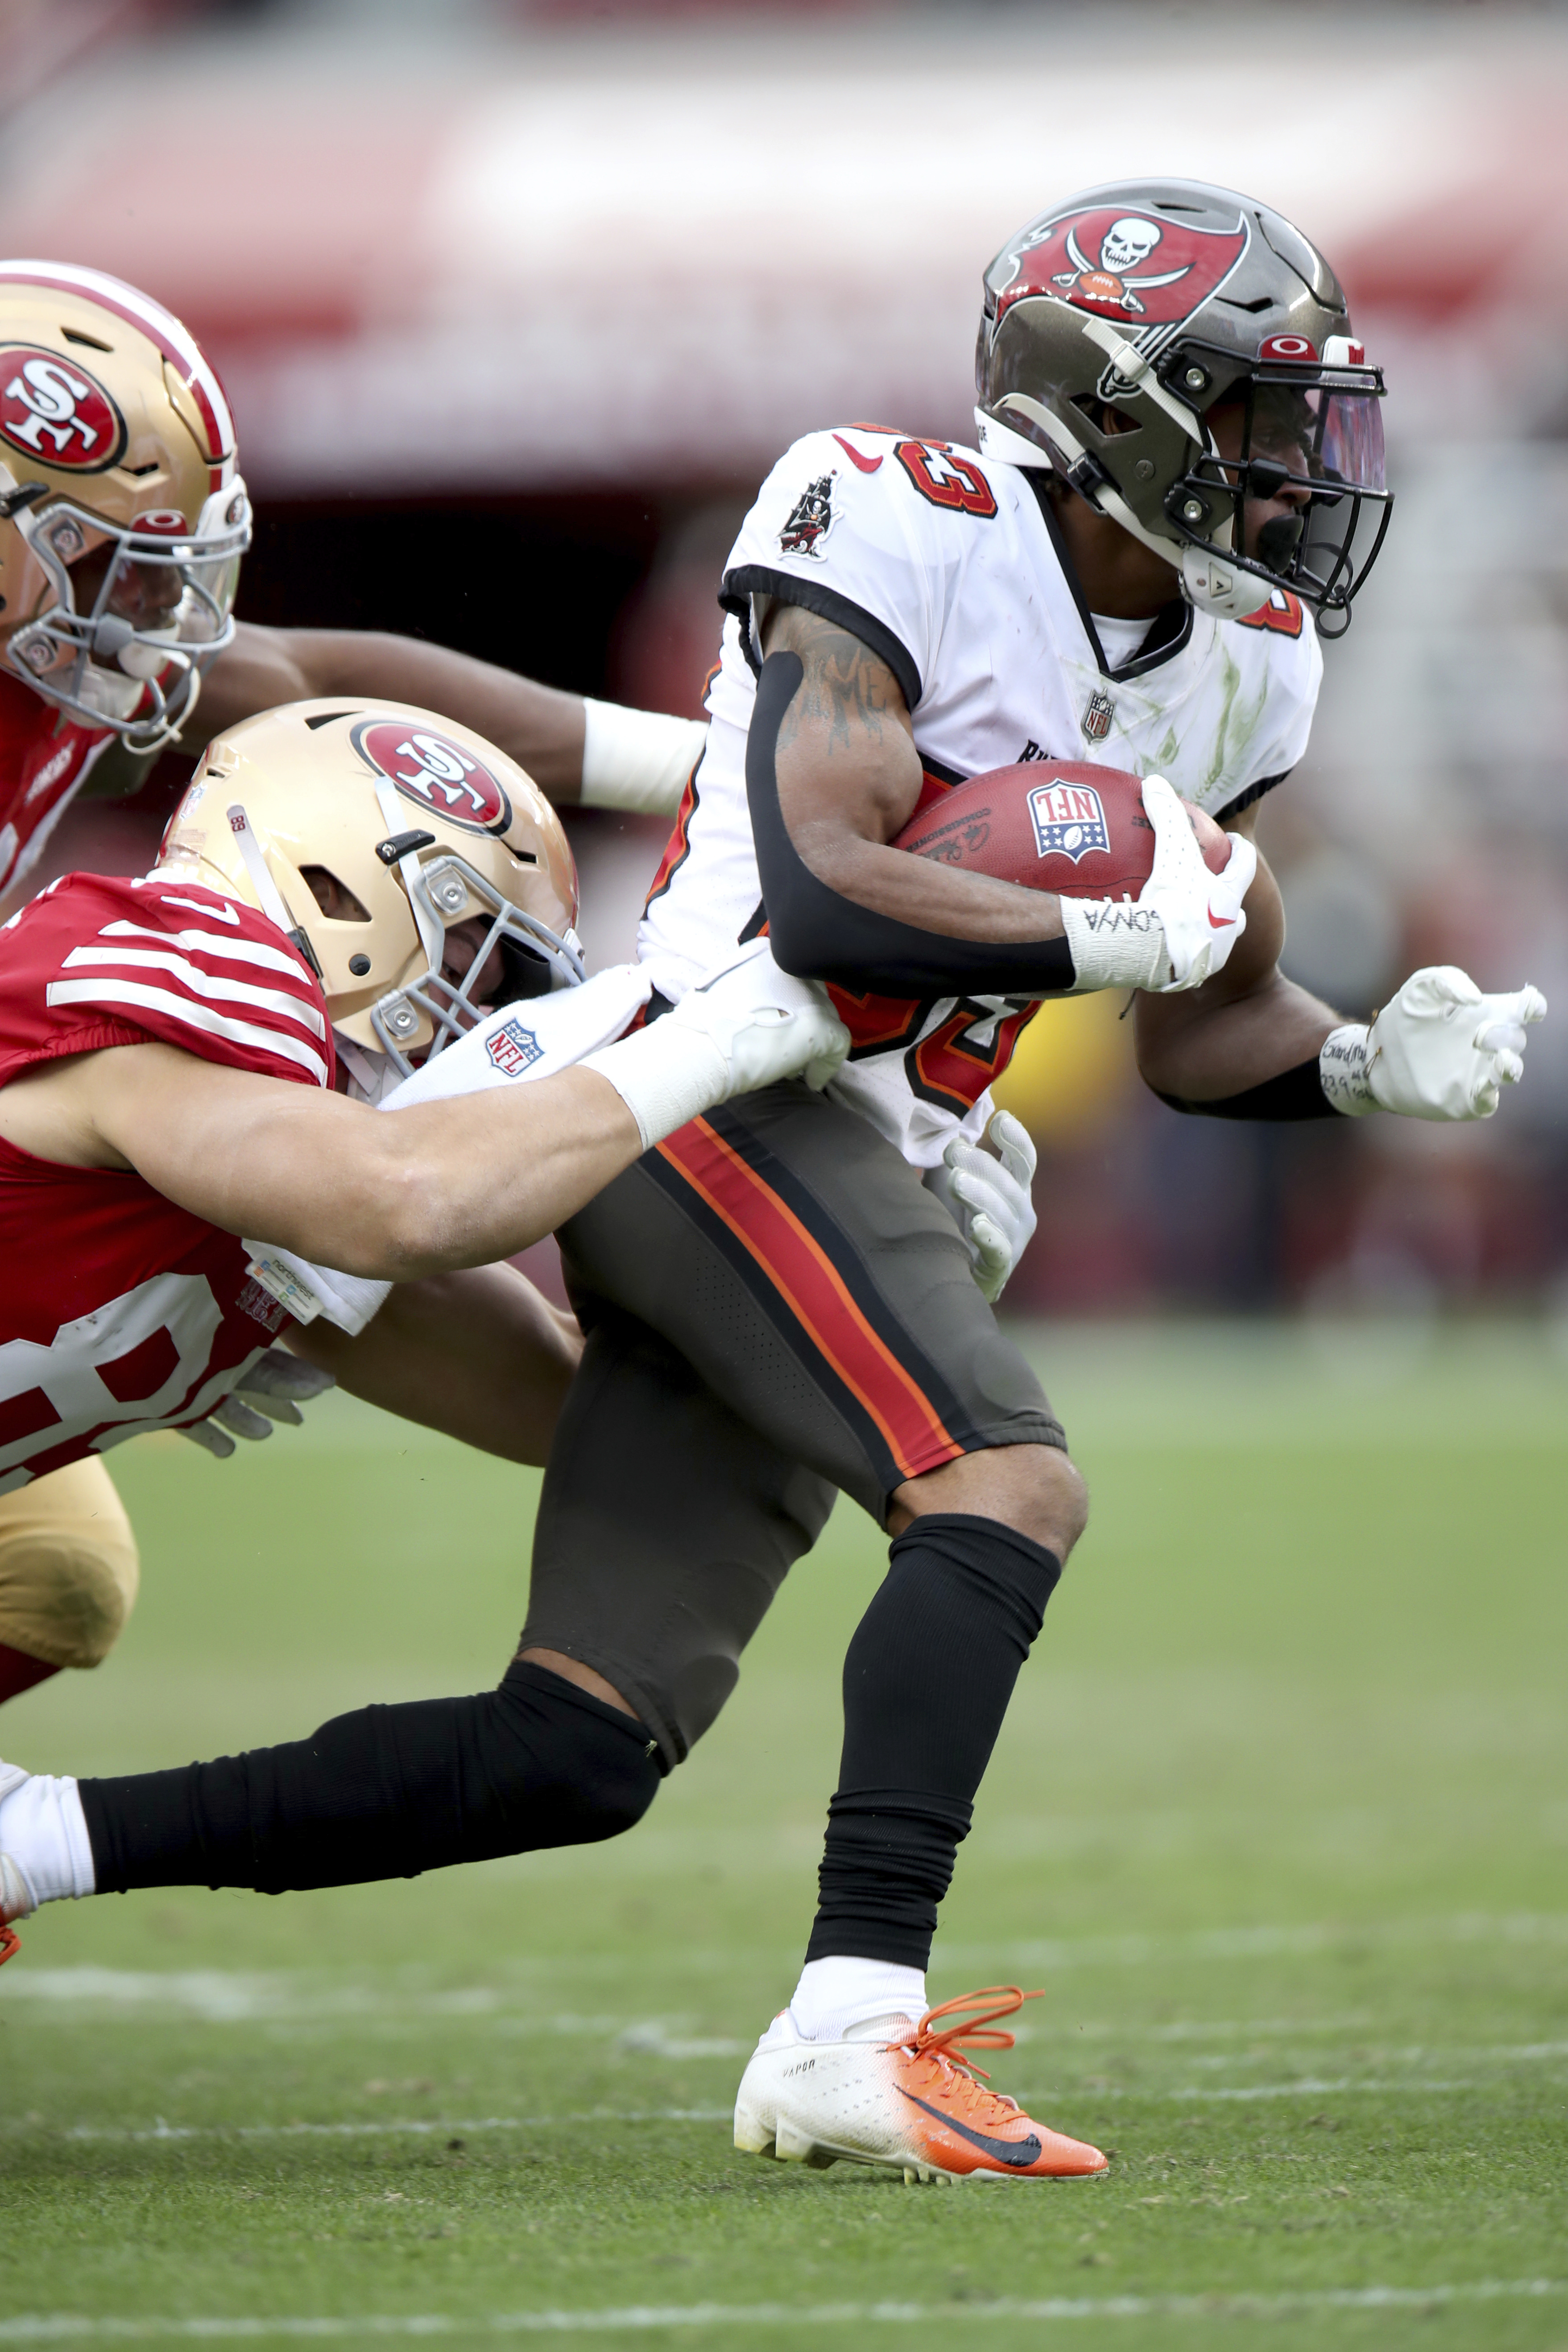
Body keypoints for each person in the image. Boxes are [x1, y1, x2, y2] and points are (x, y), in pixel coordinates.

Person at [0, 182, 1543, 2187]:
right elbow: (819, 892)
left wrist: (1346, 1057)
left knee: (578, 1744)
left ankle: (37, 1835)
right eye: (1253, 418)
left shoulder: (1251, 669)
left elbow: (1198, 1022)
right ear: (1112, 413)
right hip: (720, 1087)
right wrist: (1088, 940)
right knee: (1003, 1475)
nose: (1297, 471)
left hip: (896, 1151)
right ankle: (858, 2027)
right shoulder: (894, 512)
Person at [0, 257, 707, 1706]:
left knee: (56, 1568)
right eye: (97, 558)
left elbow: (330, 689)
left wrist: (717, 773)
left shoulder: (71, 668)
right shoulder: (151, 994)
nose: (143, 610)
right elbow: (401, 1200)